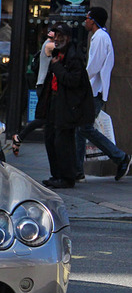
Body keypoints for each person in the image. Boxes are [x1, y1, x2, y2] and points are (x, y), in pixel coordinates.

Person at [74, 7, 130, 182]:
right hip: (93, 90)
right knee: (80, 130)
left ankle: (121, 157)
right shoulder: (100, 37)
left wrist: (78, 81)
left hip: (94, 91)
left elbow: (93, 67)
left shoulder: (100, 38)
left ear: (94, 20)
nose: (86, 20)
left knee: (84, 128)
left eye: (88, 17)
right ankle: (77, 171)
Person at [41, 23, 95, 189]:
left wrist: (56, 66)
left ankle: (67, 176)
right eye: (55, 36)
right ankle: (57, 174)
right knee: (51, 137)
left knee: (63, 141)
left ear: (68, 38)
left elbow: (73, 81)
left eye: (60, 36)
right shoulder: (58, 55)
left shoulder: (73, 57)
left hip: (67, 105)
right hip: (55, 101)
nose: (57, 40)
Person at [11, 28, 55, 156]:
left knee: (48, 119)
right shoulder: (49, 45)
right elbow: (63, 48)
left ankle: (20, 138)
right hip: (43, 87)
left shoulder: (49, 44)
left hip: (46, 87)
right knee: (43, 118)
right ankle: (19, 137)